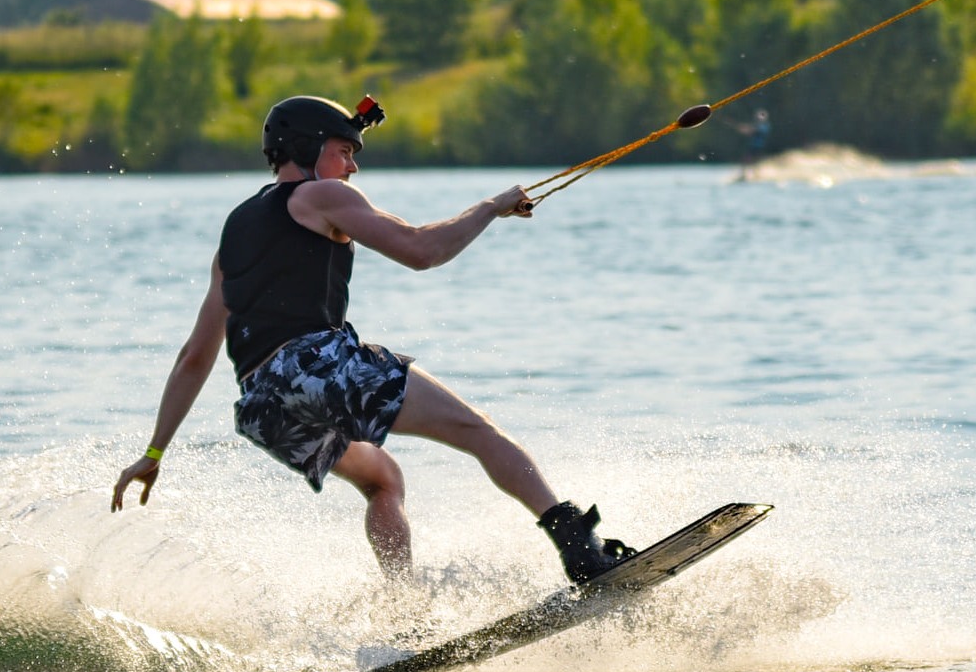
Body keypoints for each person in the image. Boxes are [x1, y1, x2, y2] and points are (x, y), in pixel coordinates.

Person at [110, 95, 636, 584]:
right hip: (315, 368)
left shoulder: (236, 229)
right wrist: (489, 208)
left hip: (265, 405)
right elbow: (420, 249)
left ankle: (404, 613)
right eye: (345, 152)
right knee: (478, 431)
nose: (353, 167)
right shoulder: (322, 195)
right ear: (310, 148)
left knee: (383, 479)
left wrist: (155, 450)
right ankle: (577, 546)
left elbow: (195, 355)